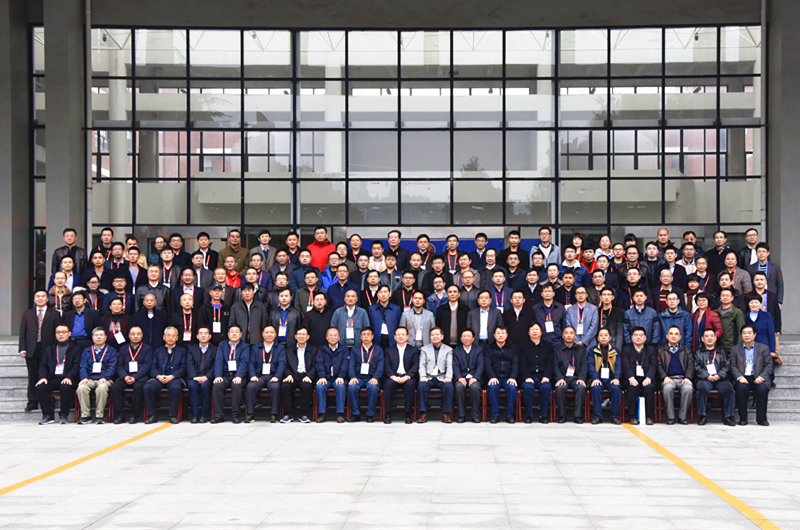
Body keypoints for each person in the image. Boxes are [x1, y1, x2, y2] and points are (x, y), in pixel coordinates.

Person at [19, 291, 61, 412]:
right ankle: (32, 401)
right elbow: (23, 332)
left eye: (43, 296)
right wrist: (22, 348)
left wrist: (56, 348)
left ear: (47, 299)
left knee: (48, 374)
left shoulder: (54, 314)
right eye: (38, 296)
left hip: (48, 349)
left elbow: (57, 332)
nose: (40, 298)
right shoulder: (27, 313)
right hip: (31, 348)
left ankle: (48, 401)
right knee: (32, 375)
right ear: (34, 299)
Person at [34, 325, 81, 424]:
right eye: (58, 332)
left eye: (63, 332)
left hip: (69, 378)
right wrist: (42, 377)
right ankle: (48, 415)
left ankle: (64, 414)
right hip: (53, 377)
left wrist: (69, 377)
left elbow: (76, 366)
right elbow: (43, 365)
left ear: (69, 333)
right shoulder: (50, 348)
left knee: (65, 387)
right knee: (40, 387)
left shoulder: (76, 348)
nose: (61, 334)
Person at [109, 326, 153, 424]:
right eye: (133, 334)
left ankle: (134, 415)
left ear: (142, 335)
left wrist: (135, 377)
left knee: (138, 387)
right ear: (129, 335)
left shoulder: (147, 349)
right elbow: (119, 365)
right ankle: (120, 415)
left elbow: (147, 365)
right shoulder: (123, 349)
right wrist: (125, 376)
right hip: (126, 376)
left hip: (140, 377)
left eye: (138, 334)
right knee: (115, 387)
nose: (135, 336)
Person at [143, 327, 186, 424]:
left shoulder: (182, 351)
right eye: (168, 335)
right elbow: (153, 367)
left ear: (177, 338)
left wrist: (172, 376)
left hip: (174, 378)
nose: (170, 338)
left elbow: (183, 368)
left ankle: (173, 415)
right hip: (159, 377)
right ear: (164, 337)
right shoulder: (157, 351)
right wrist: (158, 376)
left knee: (176, 388)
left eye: (173, 336)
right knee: (147, 387)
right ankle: (152, 415)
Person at [731, 325, 772, 426]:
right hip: (743, 377)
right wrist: (740, 377)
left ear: (754, 334)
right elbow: (732, 366)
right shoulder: (735, 349)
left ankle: (761, 419)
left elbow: (768, 365)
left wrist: (761, 377)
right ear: (741, 335)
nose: (747, 335)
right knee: (741, 389)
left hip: (758, 376)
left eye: (749, 333)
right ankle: (743, 418)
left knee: (762, 389)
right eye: (744, 333)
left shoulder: (763, 348)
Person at [76, 328, 118, 424]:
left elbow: (112, 367)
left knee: (102, 387)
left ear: (105, 337)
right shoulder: (87, 351)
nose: (98, 337)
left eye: (101, 335)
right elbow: (82, 366)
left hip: (105, 379)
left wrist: (105, 377)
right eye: (96, 335)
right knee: (81, 387)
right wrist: (84, 378)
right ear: (92, 337)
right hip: (90, 379)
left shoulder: (112, 351)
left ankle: (99, 416)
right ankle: (86, 416)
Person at [694, 329, 735, 426]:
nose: (709, 338)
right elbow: (696, 367)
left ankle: (729, 417)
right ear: (702, 339)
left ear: (715, 338)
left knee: (729, 389)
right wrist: (707, 376)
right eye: (707, 336)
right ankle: (702, 416)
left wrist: (720, 375)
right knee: (702, 388)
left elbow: (727, 365)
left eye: (712, 336)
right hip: (704, 379)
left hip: (720, 379)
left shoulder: (722, 352)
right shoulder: (697, 352)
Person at [245, 325, 285, 424]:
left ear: (275, 334)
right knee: (250, 386)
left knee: (275, 387)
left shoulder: (280, 348)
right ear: (262, 334)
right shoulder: (255, 348)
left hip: (273, 376)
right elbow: (251, 363)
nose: (269, 335)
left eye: (271, 332)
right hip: (259, 376)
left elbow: (282, 363)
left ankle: (274, 414)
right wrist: (252, 375)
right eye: (267, 332)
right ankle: (250, 414)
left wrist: (277, 376)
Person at [378, 327, 418, 425]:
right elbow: (386, 365)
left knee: (410, 385)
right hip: (393, 376)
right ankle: (388, 414)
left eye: (403, 334)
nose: (401, 336)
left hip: (408, 377)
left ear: (407, 336)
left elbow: (415, 366)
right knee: (388, 384)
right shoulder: (388, 350)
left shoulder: (413, 350)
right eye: (398, 335)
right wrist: (393, 376)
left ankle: (408, 414)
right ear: (395, 337)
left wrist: (407, 376)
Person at [211, 325, 250, 424]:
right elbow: (218, 361)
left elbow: (244, 362)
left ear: (240, 334)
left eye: (236, 332)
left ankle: (235, 415)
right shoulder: (222, 345)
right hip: (225, 375)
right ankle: (219, 416)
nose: (234, 334)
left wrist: (239, 375)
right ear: (228, 334)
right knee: (217, 385)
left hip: (239, 375)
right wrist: (218, 375)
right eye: (232, 332)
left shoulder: (245, 346)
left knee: (236, 385)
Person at [656, 325, 694, 425]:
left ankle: (682, 417)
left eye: (676, 334)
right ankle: (671, 417)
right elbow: (658, 366)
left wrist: (688, 377)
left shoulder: (686, 350)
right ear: (667, 336)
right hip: (668, 379)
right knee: (667, 388)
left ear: (680, 337)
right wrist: (664, 377)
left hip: (682, 379)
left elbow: (690, 365)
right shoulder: (660, 350)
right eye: (671, 334)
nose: (673, 336)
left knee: (688, 388)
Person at [416, 328, 454, 423]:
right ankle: (423, 413)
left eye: (437, 334)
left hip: (442, 377)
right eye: (432, 335)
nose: (435, 337)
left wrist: (448, 376)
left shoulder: (448, 349)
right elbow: (422, 364)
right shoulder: (424, 349)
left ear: (442, 336)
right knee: (421, 386)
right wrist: (423, 375)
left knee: (449, 386)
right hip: (428, 377)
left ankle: (446, 414)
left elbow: (449, 365)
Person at [279, 327, 317, 423]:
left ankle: (303, 414)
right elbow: (285, 365)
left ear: (308, 337)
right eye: (299, 334)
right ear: (295, 336)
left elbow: (316, 365)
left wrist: (309, 376)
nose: (301, 336)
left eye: (303, 334)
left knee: (306, 386)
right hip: (293, 375)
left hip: (306, 375)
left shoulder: (313, 350)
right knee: (285, 386)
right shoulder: (289, 350)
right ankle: (288, 414)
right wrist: (288, 374)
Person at [518, 322, 553, 424]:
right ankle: (529, 415)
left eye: (537, 329)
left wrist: (546, 376)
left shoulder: (548, 346)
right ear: (529, 332)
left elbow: (550, 363)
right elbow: (522, 363)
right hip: (529, 376)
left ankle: (543, 415)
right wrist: (527, 377)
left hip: (543, 376)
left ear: (541, 332)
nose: (534, 331)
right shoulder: (523, 346)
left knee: (546, 387)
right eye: (532, 329)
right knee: (528, 387)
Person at [621, 327, 657, 425]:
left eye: (641, 335)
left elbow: (653, 365)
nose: (638, 337)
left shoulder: (651, 350)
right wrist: (631, 378)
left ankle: (649, 417)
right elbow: (626, 365)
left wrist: (649, 377)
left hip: (646, 378)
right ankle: (633, 417)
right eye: (636, 335)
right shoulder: (626, 349)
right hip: (631, 378)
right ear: (632, 337)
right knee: (632, 388)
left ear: (645, 337)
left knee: (649, 388)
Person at [347, 328, 383, 422]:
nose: (366, 336)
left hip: (372, 378)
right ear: (360, 336)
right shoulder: (355, 349)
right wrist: (353, 377)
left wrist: (376, 377)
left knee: (373, 388)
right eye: (364, 334)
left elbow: (380, 366)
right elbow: (351, 365)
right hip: (358, 378)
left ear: (372, 336)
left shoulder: (378, 350)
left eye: (368, 334)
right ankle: (355, 414)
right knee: (351, 387)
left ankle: (370, 415)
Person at [553, 327, 587, 424]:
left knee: (581, 387)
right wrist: (559, 378)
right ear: (563, 336)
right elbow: (554, 366)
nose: (569, 335)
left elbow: (584, 366)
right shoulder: (556, 349)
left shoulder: (581, 350)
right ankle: (562, 415)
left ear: (575, 336)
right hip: (563, 378)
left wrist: (581, 378)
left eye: (571, 333)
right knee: (560, 388)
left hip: (576, 378)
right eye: (566, 333)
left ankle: (578, 416)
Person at [314, 327, 348, 423]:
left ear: (339, 337)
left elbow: (345, 363)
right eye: (330, 335)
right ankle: (322, 414)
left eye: (335, 335)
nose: (333, 337)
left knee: (341, 387)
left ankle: (340, 414)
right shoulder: (322, 349)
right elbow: (319, 363)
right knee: (320, 387)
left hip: (338, 377)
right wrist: (322, 376)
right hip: (326, 378)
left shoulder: (344, 349)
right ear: (326, 337)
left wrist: (341, 376)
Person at [589, 328, 622, 425]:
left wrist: (616, 378)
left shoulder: (615, 350)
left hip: (611, 378)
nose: (603, 337)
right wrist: (595, 378)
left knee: (616, 388)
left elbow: (618, 366)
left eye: (606, 335)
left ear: (610, 337)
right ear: (597, 338)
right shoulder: (593, 350)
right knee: (596, 388)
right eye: (601, 335)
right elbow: (591, 365)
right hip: (598, 378)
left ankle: (615, 416)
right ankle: (597, 416)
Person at [485, 327, 518, 424]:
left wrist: (513, 377)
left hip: (508, 377)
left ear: (507, 335)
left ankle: (510, 415)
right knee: (492, 387)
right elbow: (487, 364)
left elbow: (515, 363)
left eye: (503, 333)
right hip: (495, 377)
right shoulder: (488, 348)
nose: (500, 335)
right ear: (494, 335)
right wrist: (492, 376)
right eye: (498, 333)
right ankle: (495, 414)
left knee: (512, 387)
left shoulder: (513, 348)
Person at [452, 329, 485, 423]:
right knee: (459, 386)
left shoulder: (479, 349)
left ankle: (475, 415)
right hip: (461, 377)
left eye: (468, 336)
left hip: (475, 377)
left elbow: (481, 365)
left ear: (473, 338)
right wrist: (459, 377)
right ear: (461, 338)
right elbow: (455, 365)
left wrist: (475, 377)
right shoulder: (456, 351)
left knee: (475, 387)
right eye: (464, 336)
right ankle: (461, 415)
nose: (466, 338)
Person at [187, 326, 217, 423]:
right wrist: (194, 376)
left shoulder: (215, 349)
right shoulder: (191, 349)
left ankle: (204, 415)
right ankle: (194, 415)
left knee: (205, 386)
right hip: (195, 377)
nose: (203, 335)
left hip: (208, 377)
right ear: (197, 336)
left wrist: (207, 376)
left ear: (209, 336)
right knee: (192, 386)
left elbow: (216, 365)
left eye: (206, 333)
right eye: (201, 333)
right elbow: (189, 364)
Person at [747, 243, 784, 308]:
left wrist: (779, 301)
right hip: (755, 298)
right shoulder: (750, 268)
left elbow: (780, 285)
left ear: (768, 253)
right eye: (759, 251)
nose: (761, 253)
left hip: (771, 298)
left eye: (763, 251)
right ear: (756, 254)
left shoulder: (775, 267)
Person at [565, 286, 599, 350]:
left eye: (582, 293)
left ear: (586, 295)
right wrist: (576, 341)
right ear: (575, 295)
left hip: (590, 343)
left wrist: (584, 341)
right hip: (574, 343)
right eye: (578, 293)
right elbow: (568, 326)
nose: (580, 295)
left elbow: (593, 327)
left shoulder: (593, 309)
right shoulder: (570, 310)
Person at [436, 285, 470, 349]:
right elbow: (438, 325)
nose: (452, 294)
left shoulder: (465, 309)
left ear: (459, 294)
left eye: (455, 292)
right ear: (447, 295)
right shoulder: (441, 309)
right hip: (445, 344)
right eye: (450, 292)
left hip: (461, 344)